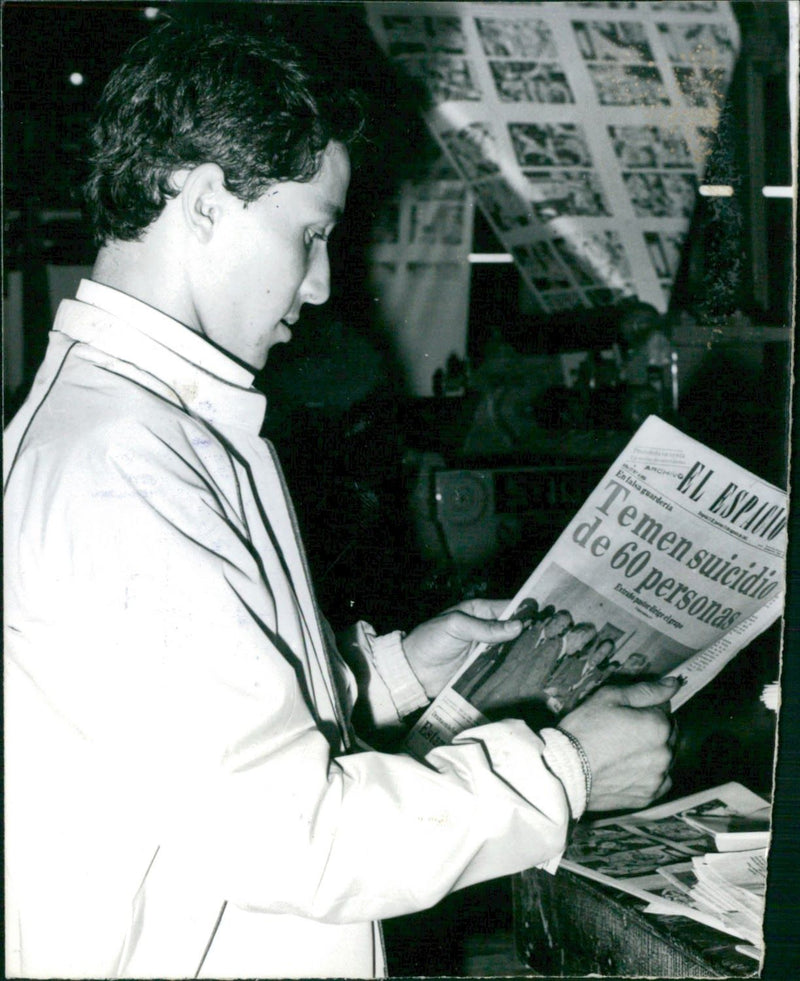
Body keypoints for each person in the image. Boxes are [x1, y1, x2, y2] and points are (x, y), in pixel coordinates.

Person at [3, 18, 678, 980]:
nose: (319, 285)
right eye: (309, 234)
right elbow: (294, 837)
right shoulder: (124, 464)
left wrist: (392, 675)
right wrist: (564, 771)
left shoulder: (149, 426)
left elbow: (199, 732)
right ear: (201, 201)